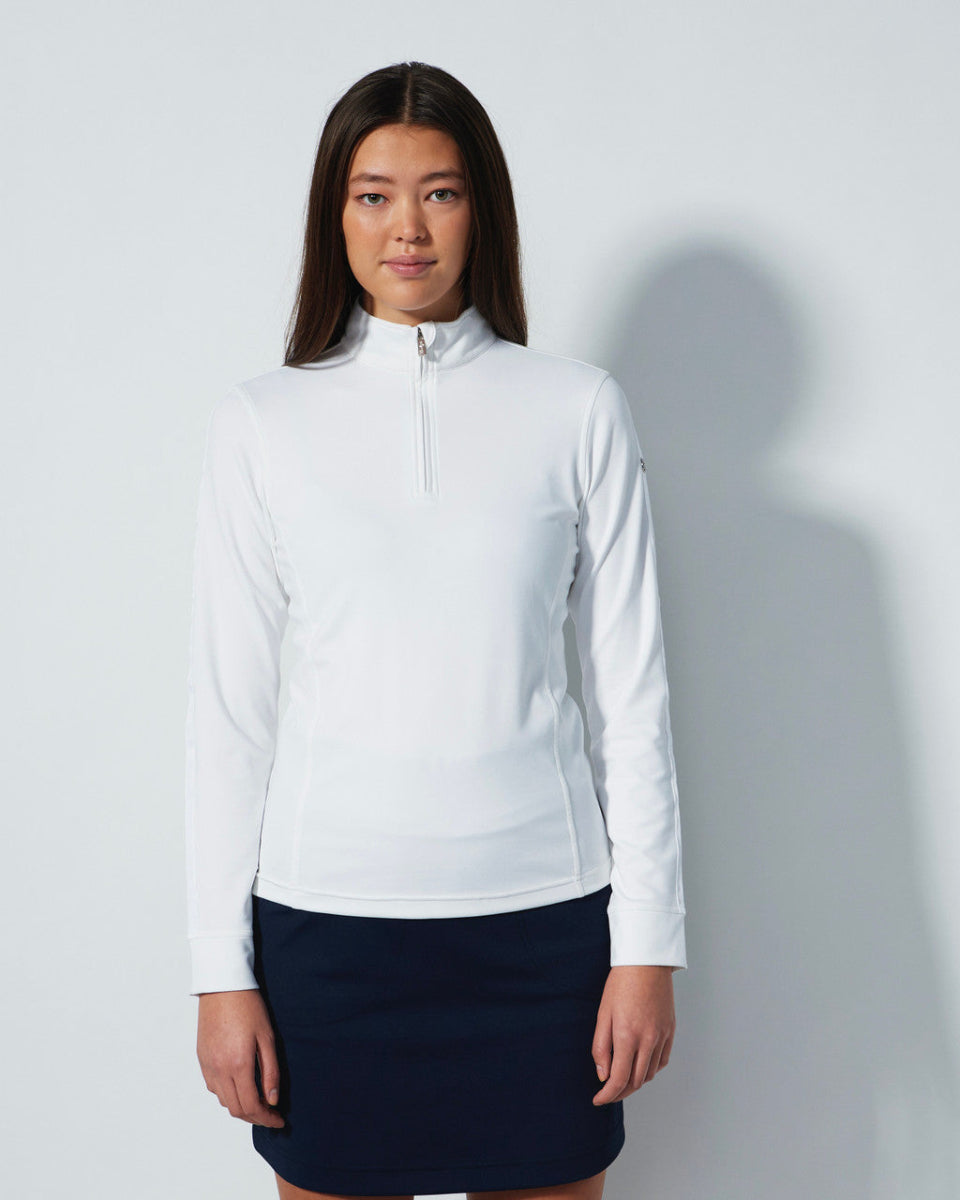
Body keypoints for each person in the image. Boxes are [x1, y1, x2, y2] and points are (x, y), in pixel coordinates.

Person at [185, 60, 687, 1200]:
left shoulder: (577, 408)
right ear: (336, 215)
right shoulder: (261, 423)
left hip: (543, 931)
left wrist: (649, 946)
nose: (406, 227)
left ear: (481, 210)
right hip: (328, 934)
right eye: (373, 195)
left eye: (441, 192)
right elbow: (230, 716)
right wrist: (220, 971)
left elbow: (633, 700)